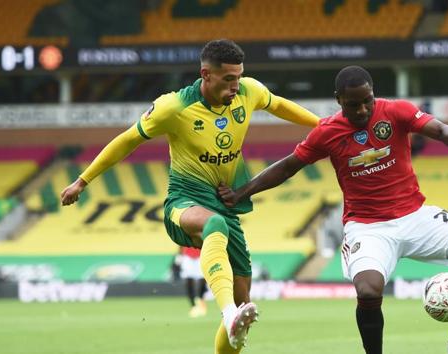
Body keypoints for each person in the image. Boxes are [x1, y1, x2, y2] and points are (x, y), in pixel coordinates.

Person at [218, 66, 448, 354]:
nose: (364, 109)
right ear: (339, 100)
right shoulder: (326, 132)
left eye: (369, 100)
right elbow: (289, 166)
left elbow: (440, 129)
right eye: (354, 104)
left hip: (414, 215)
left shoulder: (396, 111)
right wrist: (242, 192)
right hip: (367, 227)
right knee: (368, 291)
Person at [60, 39, 320, 353]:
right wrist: (82, 181)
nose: (236, 85)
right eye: (228, 79)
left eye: (238, 77)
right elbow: (127, 140)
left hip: (225, 205)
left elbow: (277, 104)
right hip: (183, 202)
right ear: (205, 74)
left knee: (243, 314)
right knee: (216, 229)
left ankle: (232, 320)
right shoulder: (174, 107)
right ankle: (226, 313)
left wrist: (323, 126)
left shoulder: (248, 91)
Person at [175, 246, 209, 318]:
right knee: (188, 282)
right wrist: (179, 257)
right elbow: (181, 243)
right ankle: (193, 306)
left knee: (203, 281)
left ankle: (201, 302)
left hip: (201, 256)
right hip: (188, 257)